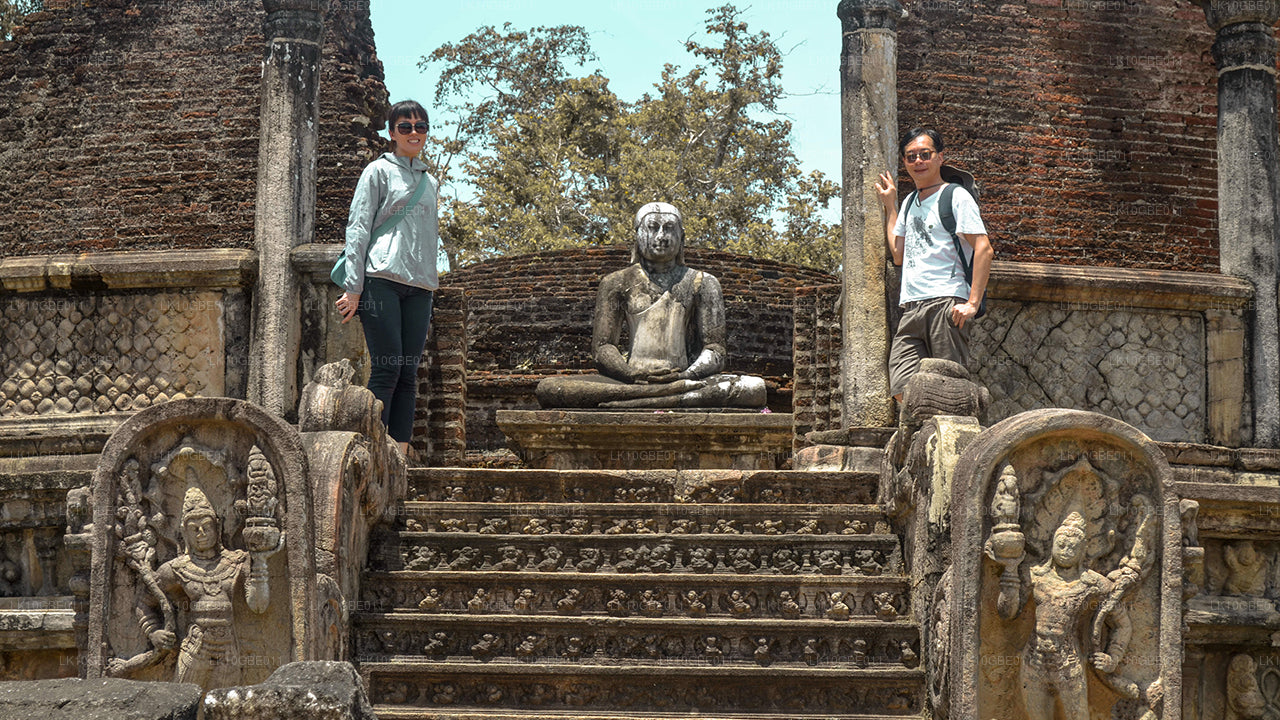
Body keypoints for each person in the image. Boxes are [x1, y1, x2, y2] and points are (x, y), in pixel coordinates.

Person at [534, 202, 766, 409]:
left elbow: (715, 349)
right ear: (638, 235)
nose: (662, 236)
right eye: (653, 228)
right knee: (549, 388)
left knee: (754, 388)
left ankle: (654, 397)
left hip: (684, 378)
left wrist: (686, 374)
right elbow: (603, 348)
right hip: (632, 380)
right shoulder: (615, 283)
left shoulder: (703, 283)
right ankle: (660, 396)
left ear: (681, 237)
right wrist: (632, 374)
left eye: (669, 228)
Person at [335, 100, 440, 456]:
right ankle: (376, 449)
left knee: (409, 372)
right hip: (381, 278)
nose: (413, 133)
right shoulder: (377, 172)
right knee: (387, 368)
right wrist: (353, 288)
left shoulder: (430, 181)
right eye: (405, 126)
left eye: (420, 126)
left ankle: (401, 449)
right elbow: (358, 227)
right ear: (392, 132)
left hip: (421, 286)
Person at [874, 127, 993, 402]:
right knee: (902, 390)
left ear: (940, 157)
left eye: (925, 154)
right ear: (905, 162)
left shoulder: (955, 196)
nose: (918, 162)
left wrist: (972, 303)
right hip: (912, 306)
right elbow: (898, 255)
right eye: (911, 156)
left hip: (946, 304)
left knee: (949, 390)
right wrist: (890, 206)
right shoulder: (909, 202)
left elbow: (984, 249)